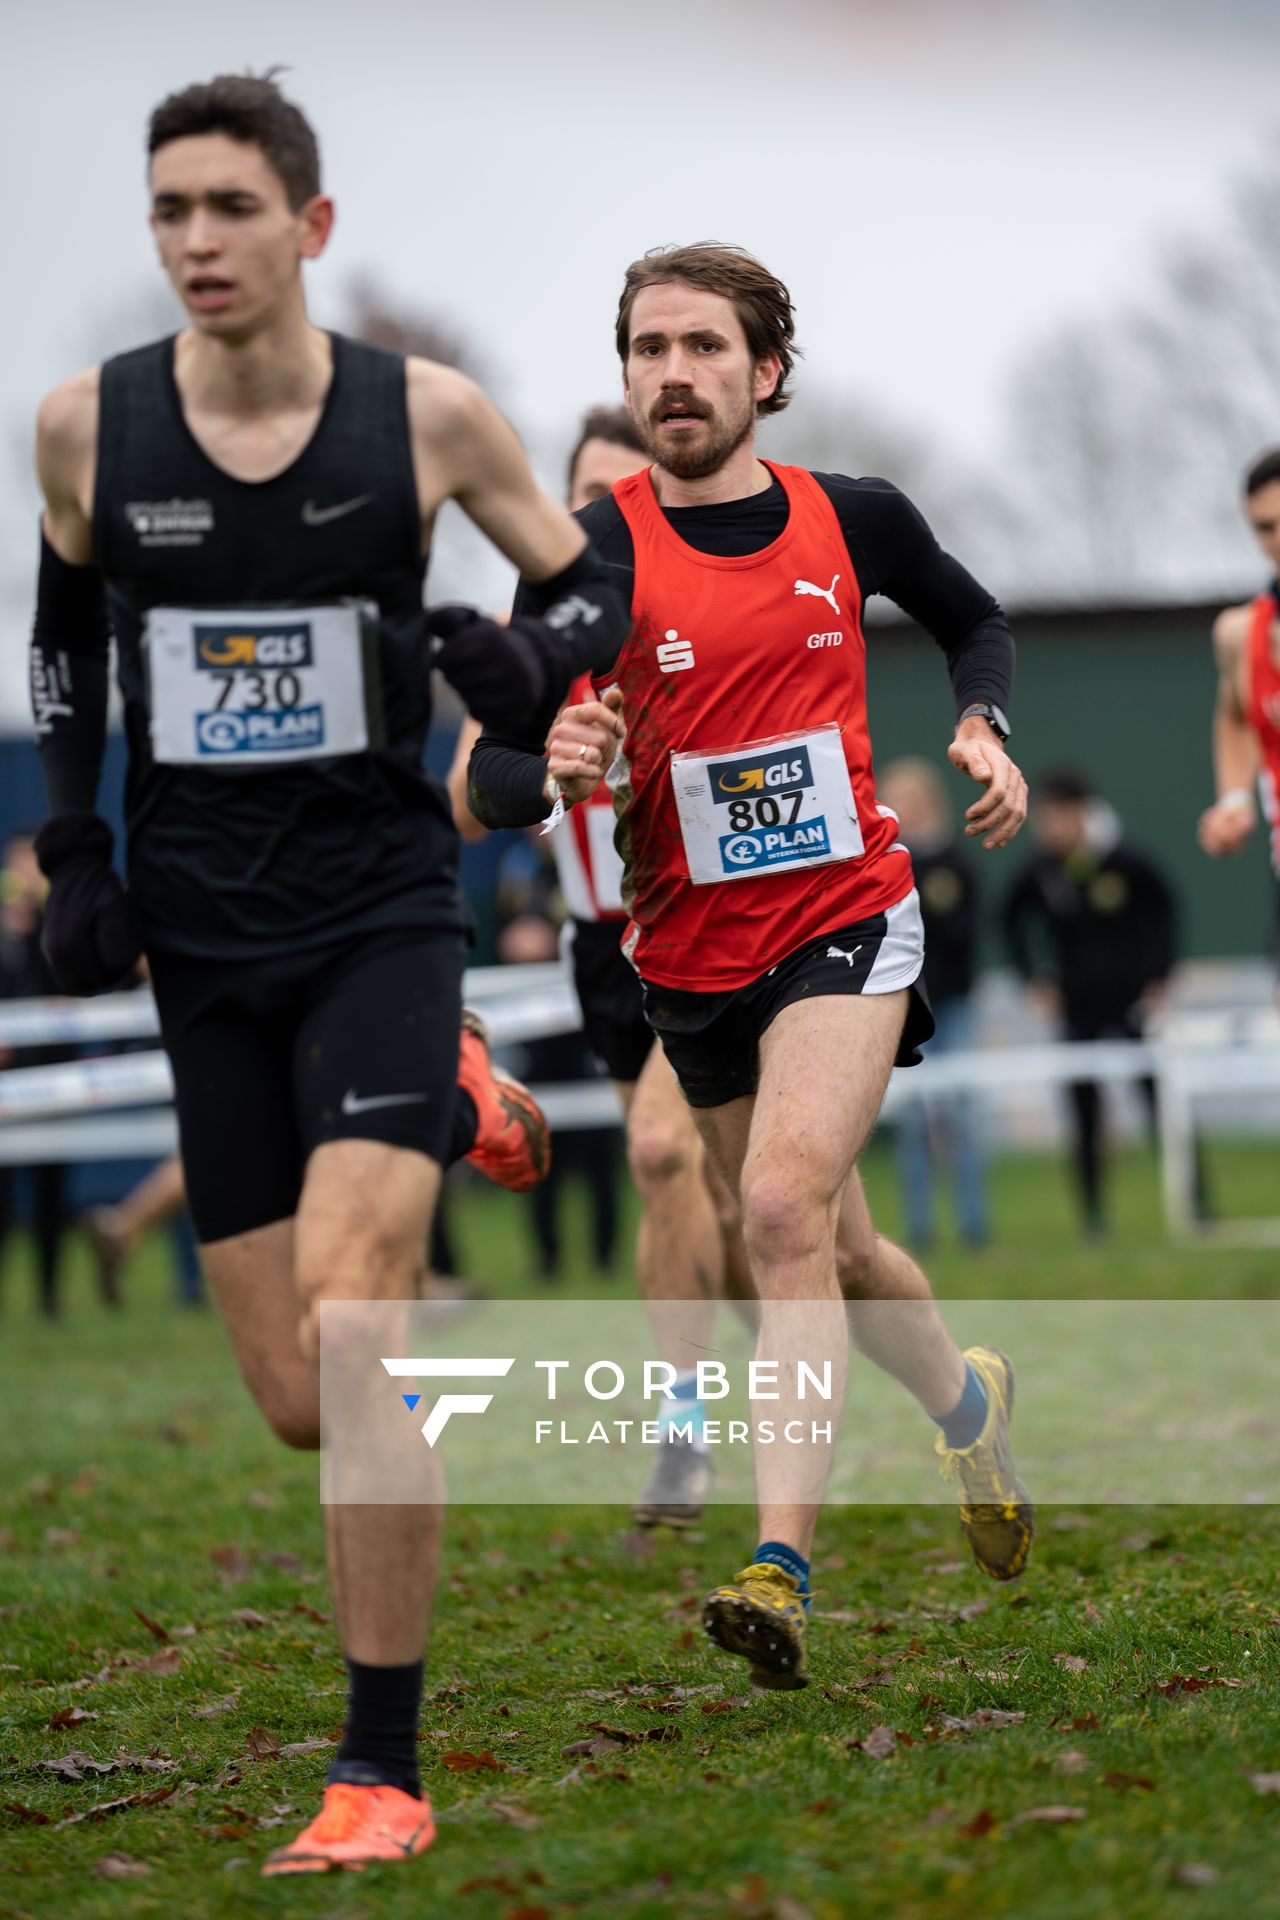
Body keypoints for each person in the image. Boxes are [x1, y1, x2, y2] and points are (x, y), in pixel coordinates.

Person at [30, 71, 629, 1876]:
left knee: (365, 1327)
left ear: (312, 225)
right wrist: (76, 848)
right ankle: (463, 1091)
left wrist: (528, 674)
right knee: (300, 1396)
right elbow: (64, 643)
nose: (197, 243)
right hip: (204, 943)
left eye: (229, 207)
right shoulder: (87, 431)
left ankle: (379, 1768)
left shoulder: (422, 417)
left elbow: (590, 584)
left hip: (380, 911)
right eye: (168, 212)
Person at [470, 243, 1033, 1692]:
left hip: (848, 913)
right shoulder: (584, 551)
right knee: (831, 1249)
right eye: (648, 347)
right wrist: (554, 761)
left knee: (778, 1208)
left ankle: (778, 1565)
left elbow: (977, 620)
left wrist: (981, 726)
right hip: (688, 952)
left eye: (705, 347)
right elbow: (481, 775)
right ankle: (971, 1403)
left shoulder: (854, 517)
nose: (673, 372)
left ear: (765, 372)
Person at [455, 404, 753, 1529]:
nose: (606, 518)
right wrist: (548, 776)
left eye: (627, 494)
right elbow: (467, 795)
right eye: (586, 495)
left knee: (659, 1156)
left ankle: (683, 1433)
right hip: (602, 942)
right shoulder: (526, 629)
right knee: (716, 1202)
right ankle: (787, 1356)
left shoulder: (711, 612)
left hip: (715, 928)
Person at [1003, 769, 1178, 1238]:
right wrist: (1033, 980)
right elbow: (1010, 922)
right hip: (1075, 1004)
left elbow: (1164, 911)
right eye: (1044, 817)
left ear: (1081, 811)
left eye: (1058, 815)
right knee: (1082, 1108)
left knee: (1158, 1099)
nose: (1049, 826)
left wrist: (1159, 977)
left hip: (1130, 1001)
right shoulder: (1041, 869)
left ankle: (1192, 1199)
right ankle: (1093, 1217)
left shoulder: (1125, 859)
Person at [879, 759, 989, 1250]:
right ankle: (919, 1229)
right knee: (914, 1124)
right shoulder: (878, 865)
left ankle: (973, 1224)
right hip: (902, 1011)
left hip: (953, 1005)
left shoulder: (953, 863)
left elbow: (959, 932)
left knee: (962, 1118)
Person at [1197, 447, 1280, 934]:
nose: (1278, 539)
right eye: (1265, 527)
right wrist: (1234, 801)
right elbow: (1234, 715)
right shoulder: (1239, 633)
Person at [0, 832, 78, 1317]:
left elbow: (75, 983)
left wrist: (38, 930)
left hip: (55, 1075)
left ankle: (50, 1299)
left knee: (53, 1194)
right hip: (7, 1081)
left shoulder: (60, 926)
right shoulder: (4, 929)